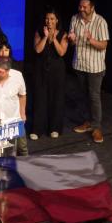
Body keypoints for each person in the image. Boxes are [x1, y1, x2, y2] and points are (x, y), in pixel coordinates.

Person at [68, 0, 109, 144]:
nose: (81, 9)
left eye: (85, 7)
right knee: (83, 95)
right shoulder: (75, 19)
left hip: (95, 67)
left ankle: (96, 127)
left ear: (92, 7)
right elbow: (73, 43)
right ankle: (87, 122)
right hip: (80, 64)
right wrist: (71, 40)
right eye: (80, 6)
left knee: (94, 97)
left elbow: (104, 45)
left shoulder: (100, 22)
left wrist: (91, 40)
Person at [32, 8, 68, 140]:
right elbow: (37, 49)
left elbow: (61, 52)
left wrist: (54, 39)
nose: (49, 21)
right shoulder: (39, 32)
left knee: (56, 98)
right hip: (41, 69)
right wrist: (46, 36)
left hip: (57, 70)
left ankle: (54, 128)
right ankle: (37, 129)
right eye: (47, 18)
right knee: (40, 98)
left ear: (57, 20)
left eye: (52, 19)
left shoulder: (63, 34)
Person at [0, 56, 28, 156]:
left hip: (14, 119)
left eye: (0, 72)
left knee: (21, 148)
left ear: (8, 71)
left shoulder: (17, 76)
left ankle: (25, 168)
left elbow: (22, 95)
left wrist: (22, 114)